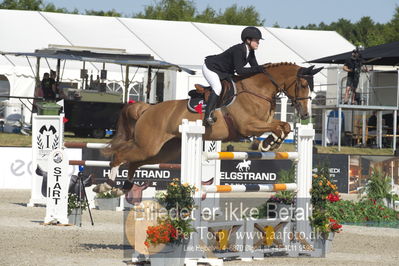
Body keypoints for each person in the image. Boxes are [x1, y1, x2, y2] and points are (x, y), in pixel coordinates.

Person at [202, 26, 265, 126]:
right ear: (248, 40)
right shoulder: (239, 50)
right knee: (217, 87)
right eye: (256, 40)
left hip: (224, 71)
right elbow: (240, 71)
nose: (258, 43)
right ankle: (207, 115)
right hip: (211, 68)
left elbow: (255, 68)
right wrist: (260, 68)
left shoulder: (250, 52)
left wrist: (265, 71)